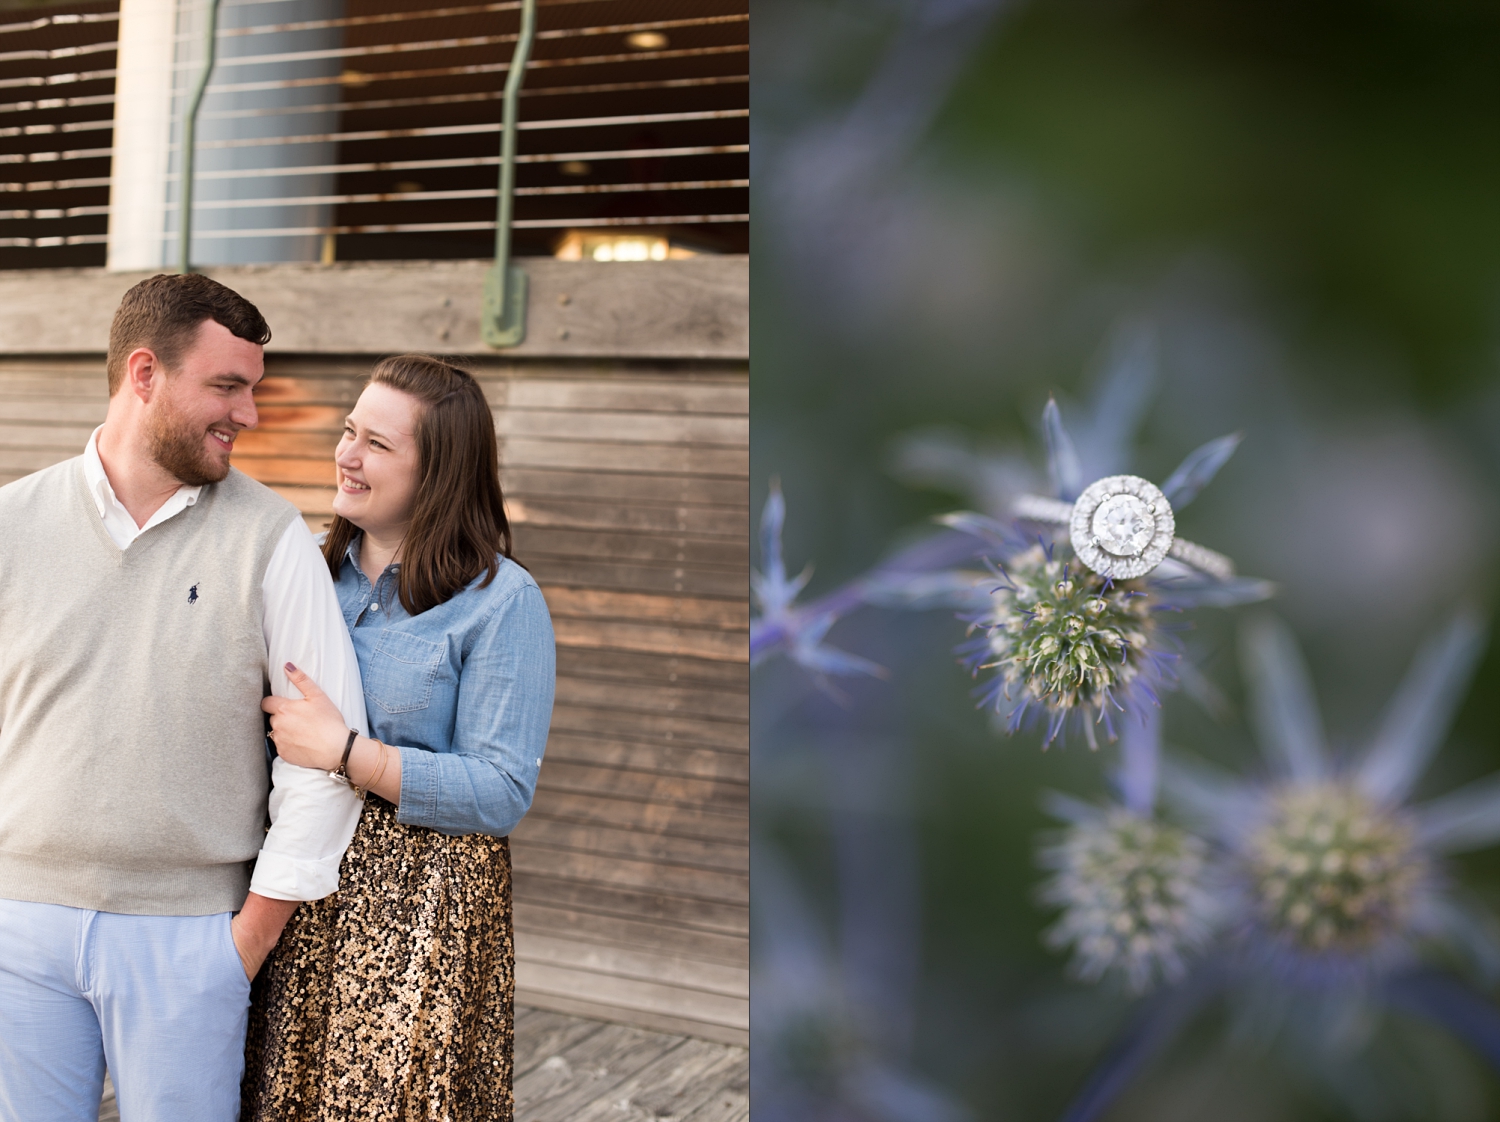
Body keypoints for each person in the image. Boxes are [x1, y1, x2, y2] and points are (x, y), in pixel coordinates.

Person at [0, 273, 369, 1121]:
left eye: (254, 390)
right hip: (19, 927)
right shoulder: (13, 522)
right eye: (227, 386)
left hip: (186, 938)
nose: (249, 413)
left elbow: (324, 758)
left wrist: (244, 942)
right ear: (144, 374)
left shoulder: (271, 538)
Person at [242, 354, 556, 1121]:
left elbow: (502, 791)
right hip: (298, 884)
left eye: (377, 445)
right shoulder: (308, 568)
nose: (346, 455)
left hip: (422, 908)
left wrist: (349, 754)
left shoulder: (501, 601)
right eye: (349, 432)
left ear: (440, 471)